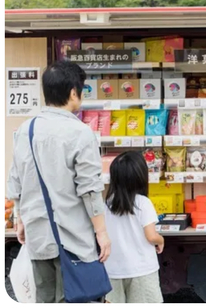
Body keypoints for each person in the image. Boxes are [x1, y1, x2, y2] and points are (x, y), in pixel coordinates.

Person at [7, 61, 110, 303]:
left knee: (44, 301)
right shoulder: (80, 133)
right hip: (73, 239)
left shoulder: (25, 130)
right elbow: (90, 189)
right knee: (76, 300)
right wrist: (102, 233)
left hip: (37, 237)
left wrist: (21, 219)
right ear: (74, 92)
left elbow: (16, 181)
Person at [103, 151, 164, 303]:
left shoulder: (107, 203)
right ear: (140, 177)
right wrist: (161, 240)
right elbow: (151, 236)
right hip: (142, 270)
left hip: (112, 270)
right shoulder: (143, 203)